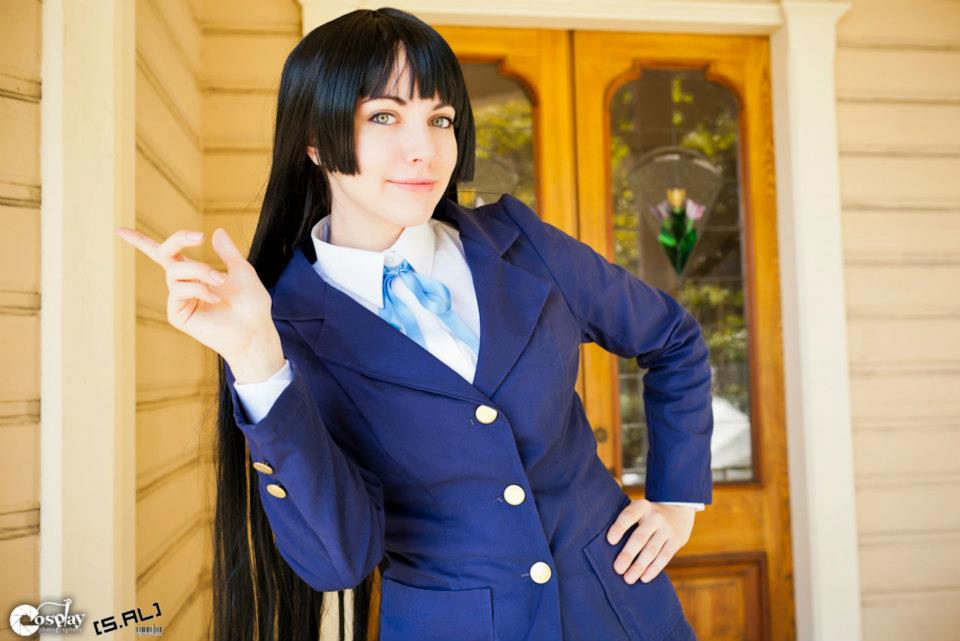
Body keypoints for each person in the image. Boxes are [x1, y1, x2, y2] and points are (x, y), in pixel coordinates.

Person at [116, 7, 713, 641]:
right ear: (314, 140)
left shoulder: (522, 244)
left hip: (624, 614)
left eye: (440, 119)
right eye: (383, 116)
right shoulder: (283, 323)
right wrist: (257, 358)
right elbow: (339, 561)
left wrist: (677, 502)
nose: (424, 149)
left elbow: (673, 340)